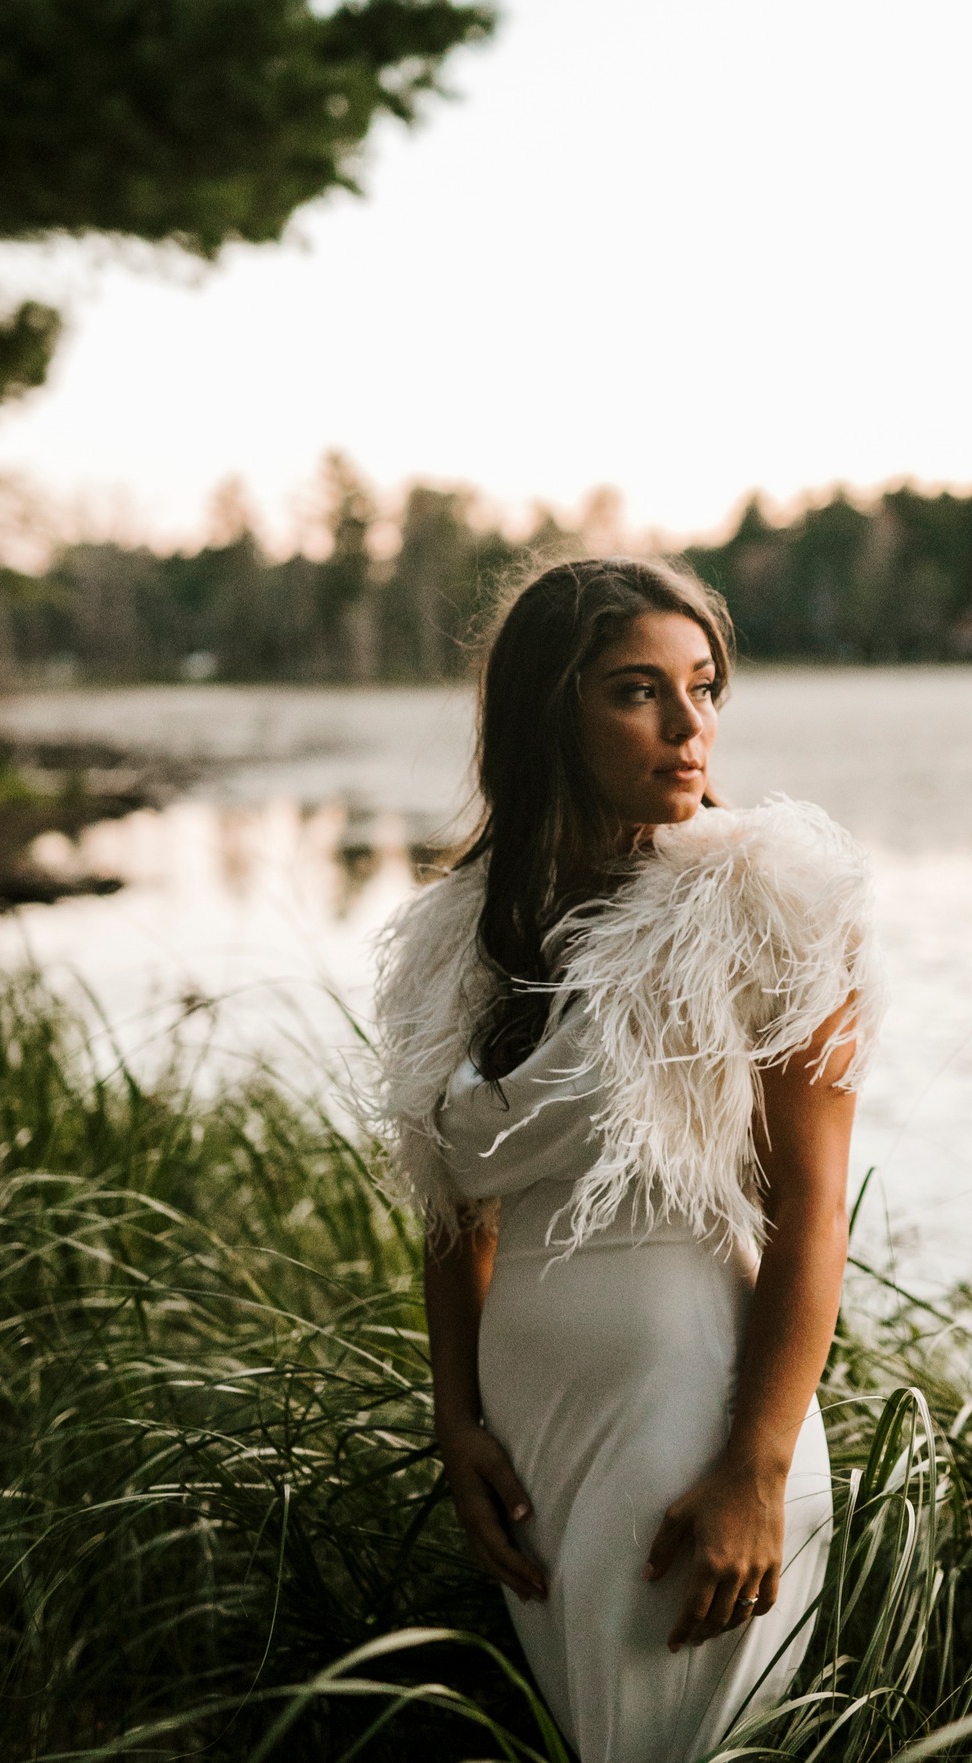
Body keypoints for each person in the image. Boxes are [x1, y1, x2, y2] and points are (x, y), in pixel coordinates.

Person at [371, 556, 881, 1763]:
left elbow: (813, 1213)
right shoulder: (463, 928)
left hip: (689, 1417)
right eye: (637, 691)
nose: (688, 725)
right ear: (552, 710)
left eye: (703, 687)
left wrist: (753, 1472)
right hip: (538, 1438)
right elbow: (458, 1212)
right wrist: (457, 1418)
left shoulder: (771, 899)